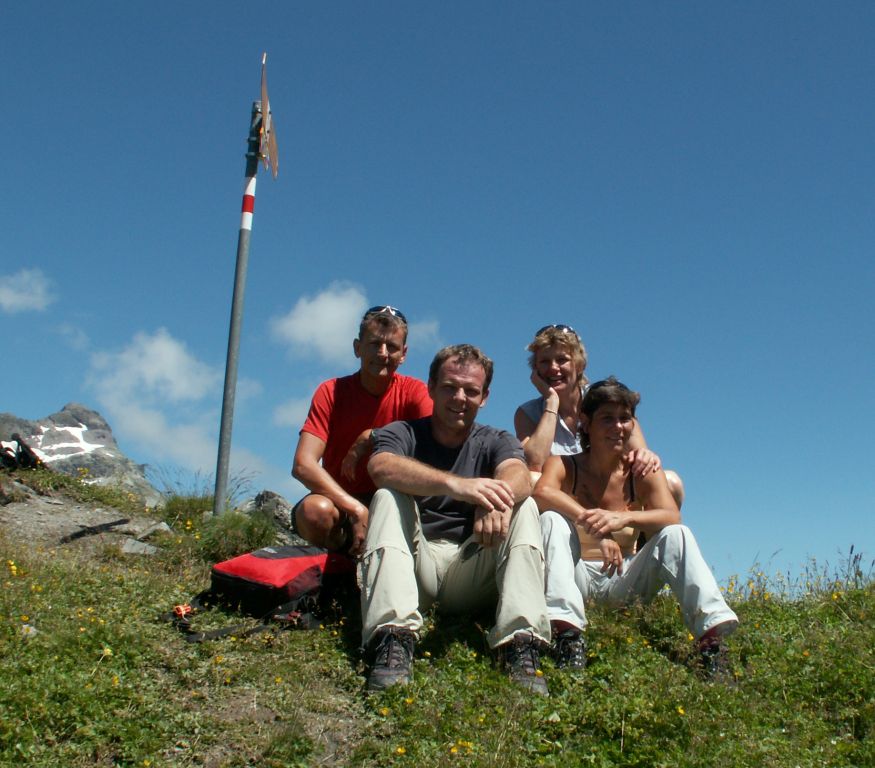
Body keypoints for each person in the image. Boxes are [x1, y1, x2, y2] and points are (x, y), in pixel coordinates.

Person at [359, 344, 552, 695]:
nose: (459, 397)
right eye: (450, 387)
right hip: (416, 567)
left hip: (472, 563)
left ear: (485, 397)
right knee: (386, 496)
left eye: (471, 390)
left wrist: (497, 501)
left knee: (524, 507)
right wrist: (458, 486)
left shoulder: (496, 439)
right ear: (431, 387)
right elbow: (380, 466)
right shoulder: (402, 432)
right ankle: (393, 639)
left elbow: (519, 474)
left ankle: (520, 642)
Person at [533, 377, 738, 676]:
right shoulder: (565, 464)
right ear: (586, 423)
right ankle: (567, 635)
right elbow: (542, 493)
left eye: (625, 419)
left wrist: (624, 518)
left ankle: (711, 641)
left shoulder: (640, 470)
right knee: (550, 519)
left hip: (623, 580)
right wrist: (598, 527)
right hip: (575, 577)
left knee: (677, 534)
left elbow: (671, 515)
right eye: (607, 419)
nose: (618, 427)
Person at [291, 305, 432, 555]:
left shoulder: (415, 392)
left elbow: (437, 443)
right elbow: (303, 464)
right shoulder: (331, 392)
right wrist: (355, 508)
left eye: (392, 347)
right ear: (358, 348)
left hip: (394, 499)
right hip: (340, 499)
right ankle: (337, 567)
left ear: (404, 354)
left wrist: (373, 435)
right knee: (315, 512)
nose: (383, 353)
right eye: (374, 344)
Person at [514, 324, 684, 505]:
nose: (553, 368)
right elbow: (534, 463)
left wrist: (646, 456)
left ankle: (645, 532)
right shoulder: (527, 413)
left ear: (579, 365)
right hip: (567, 501)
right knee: (531, 480)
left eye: (562, 359)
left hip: (614, 493)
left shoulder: (607, 399)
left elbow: (640, 454)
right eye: (544, 361)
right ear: (535, 370)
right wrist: (551, 402)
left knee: (671, 482)